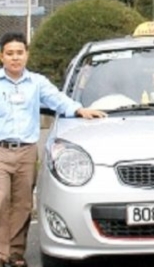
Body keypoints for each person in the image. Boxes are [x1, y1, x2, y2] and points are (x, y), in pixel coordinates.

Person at [0, 32, 106, 267]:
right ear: (1, 57)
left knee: (23, 203)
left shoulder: (37, 83)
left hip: (27, 152)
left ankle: (15, 253)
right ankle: (1, 252)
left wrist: (80, 110)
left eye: (19, 53)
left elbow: (58, 100)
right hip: (1, 151)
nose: (15, 58)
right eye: (10, 54)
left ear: (27, 55)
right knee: (1, 198)